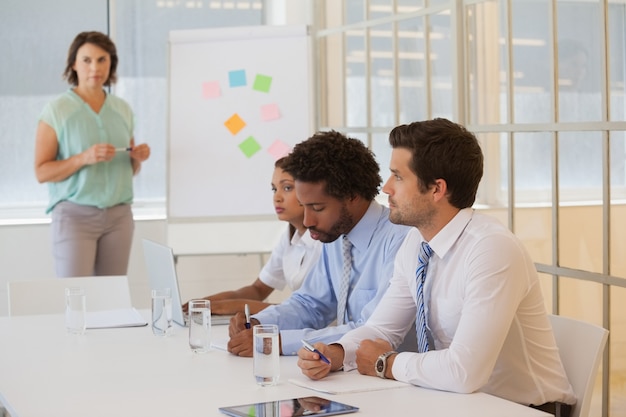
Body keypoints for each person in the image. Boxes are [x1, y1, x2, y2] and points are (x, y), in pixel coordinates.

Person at [297, 119, 576, 417]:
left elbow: (464, 371)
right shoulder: (417, 243)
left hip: (522, 409)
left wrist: (386, 363)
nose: (386, 187)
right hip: (456, 403)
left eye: (398, 177)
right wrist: (336, 354)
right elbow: (381, 328)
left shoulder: (492, 249)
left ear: (436, 189)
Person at [227, 130, 411, 357]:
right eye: (304, 207)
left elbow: (372, 329)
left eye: (317, 208)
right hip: (346, 373)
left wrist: (279, 341)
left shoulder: (401, 239)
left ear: (352, 196)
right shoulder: (336, 234)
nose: (307, 221)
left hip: (394, 379)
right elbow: (310, 304)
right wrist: (259, 323)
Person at [34, 31, 151, 277]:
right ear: (74, 64)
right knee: (75, 296)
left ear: (111, 63)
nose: (94, 67)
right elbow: (42, 171)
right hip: (75, 216)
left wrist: (136, 158)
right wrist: (82, 158)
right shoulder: (57, 110)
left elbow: (131, 170)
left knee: (112, 300)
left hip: (119, 218)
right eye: (86, 60)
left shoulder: (122, 109)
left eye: (102, 59)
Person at [182, 157, 323, 315]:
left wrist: (234, 306)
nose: (277, 197)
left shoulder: (326, 241)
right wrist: (205, 303)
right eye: (274, 189)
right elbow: (257, 289)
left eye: (287, 188)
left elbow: (307, 311)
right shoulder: (289, 236)